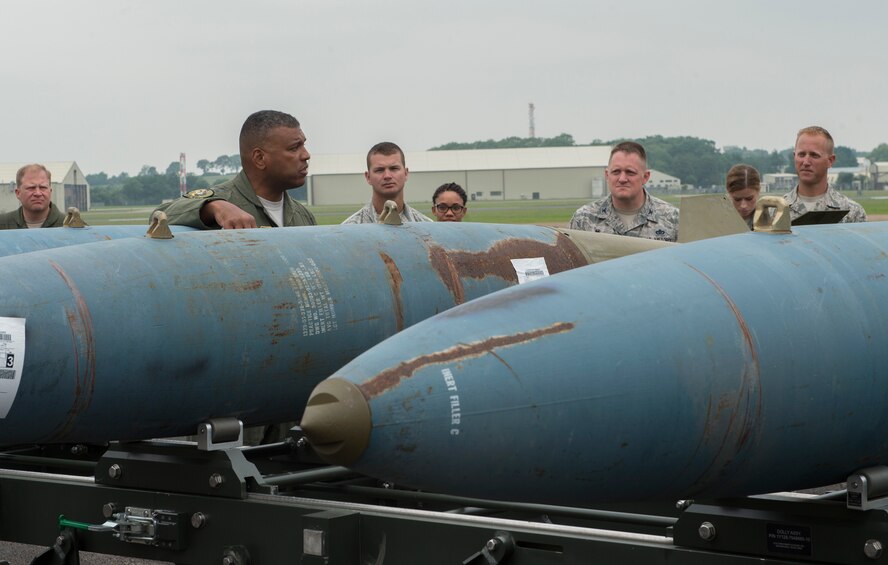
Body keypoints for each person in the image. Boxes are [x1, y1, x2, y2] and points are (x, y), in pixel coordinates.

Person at [154, 110, 316, 229]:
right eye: (294, 148)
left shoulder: (304, 217)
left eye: (303, 145)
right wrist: (215, 207)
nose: (306, 155)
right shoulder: (222, 204)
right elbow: (160, 216)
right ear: (260, 158)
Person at [569, 141, 678, 241]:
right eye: (616, 172)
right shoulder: (583, 219)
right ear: (607, 175)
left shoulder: (673, 219)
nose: (622, 179)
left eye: (630, 172)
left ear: (645, 177)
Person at [783, 126, 866, 223]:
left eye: (814, 155)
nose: (806, 162)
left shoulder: (852, 213)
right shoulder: (776, 211)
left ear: (830, 161)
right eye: (801, 154)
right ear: (794, 157)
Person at [342, 142, 433, 224]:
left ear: (406, 173)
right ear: (368, 177)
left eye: (394, 168)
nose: (387, 176)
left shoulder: (426, 227)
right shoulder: (349, 230)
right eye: (379, 170)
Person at [0, 164, 65, 229]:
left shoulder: (67, 225)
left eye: (43, 187)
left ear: (50, 192)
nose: (38, 193)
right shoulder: (3, 224)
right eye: (31, 188)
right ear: (18, 193)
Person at [725, 164, 761, 229]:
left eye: (749, 198)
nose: (743, 206)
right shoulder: (717, 219)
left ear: (758, 191)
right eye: (737, 199)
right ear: (728, 193)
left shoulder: (771, 219)